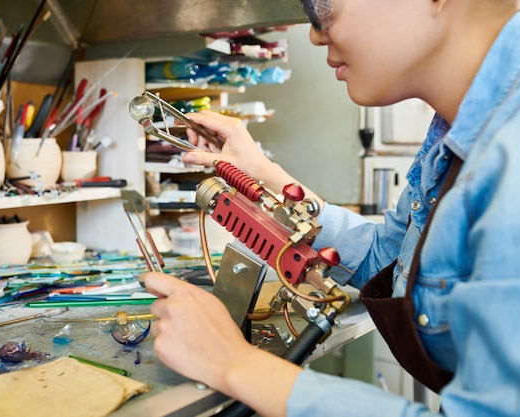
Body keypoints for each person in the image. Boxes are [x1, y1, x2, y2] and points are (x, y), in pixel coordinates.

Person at [143, 0, 520, 415]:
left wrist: (234, 363)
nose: (315, 32)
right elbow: (388, 261)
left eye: (320, 5)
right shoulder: (453, 139)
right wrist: (266, 175)